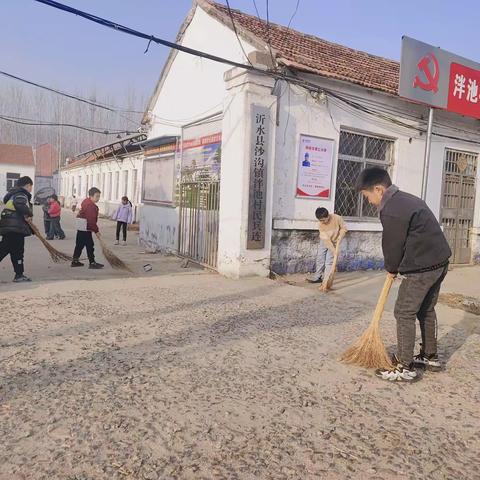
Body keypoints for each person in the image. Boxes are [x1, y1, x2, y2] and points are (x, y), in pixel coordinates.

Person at [356, 167, 452, 383]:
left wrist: (391, 268)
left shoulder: (391, 209)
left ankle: (404, 365)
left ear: (379, 189)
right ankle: (430, 356)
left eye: (367, 195)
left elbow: (393, 244)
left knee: (404, 312)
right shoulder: (406, 199)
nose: (369, 201)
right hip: (439, 261)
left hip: (422, 267)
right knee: (426, 309)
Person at [0, 176, 34, 282]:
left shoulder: (13, 194)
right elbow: (19, 205)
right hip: (15, 229)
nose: (31, 189)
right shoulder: (21, 194)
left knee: (15, 251)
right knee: (9, 250)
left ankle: (19, 274)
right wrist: (29, 212)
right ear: (28, 185)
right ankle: (19, 274)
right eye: (31, 187)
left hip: (10, 227)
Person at [306, 207, 347, 284]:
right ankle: (317, 277)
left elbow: (344, 228)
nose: (323, 222)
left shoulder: (337, 218)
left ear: (328, 215)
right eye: (321, 220)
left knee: (329, 261)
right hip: (325, 241)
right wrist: (334, 251)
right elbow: (326, 241)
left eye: (324, 219)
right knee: (320, 258)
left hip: (335, 242)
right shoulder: (321, 225)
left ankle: (326, 280)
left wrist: (340, 236)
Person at [71, 187, 104, 269]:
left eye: (99, 196)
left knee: (79, 244)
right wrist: (96, 231)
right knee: (90, 245)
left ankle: (75, 261)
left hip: (81, 226)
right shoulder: (90, 205)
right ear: (91, 196)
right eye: (97, 196)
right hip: (85, 227)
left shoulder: (86, 201)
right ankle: (92, 263)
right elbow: (91, 220)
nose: (98, 198)